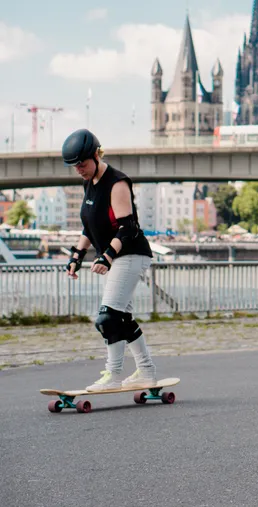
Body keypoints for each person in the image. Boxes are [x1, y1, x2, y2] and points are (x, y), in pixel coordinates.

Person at [62, 128, 159, 392]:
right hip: (118, 257)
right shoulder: (89, 184)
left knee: (108, 318)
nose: (79, 169)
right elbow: (88, 227)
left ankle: (114, 374)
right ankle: (147, 372)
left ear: (96, 155)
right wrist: (77, 256)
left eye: (82, 164)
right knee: (122, 319)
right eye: (74, 166)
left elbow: (128, 228)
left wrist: (106, 255)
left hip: (131, 253)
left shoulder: (117, 182)